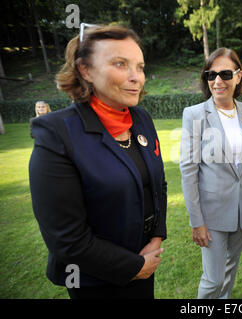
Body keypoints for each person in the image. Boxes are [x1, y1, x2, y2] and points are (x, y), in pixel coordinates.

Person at [29, 24, 167, 299]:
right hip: (94, 280)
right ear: (85, 70)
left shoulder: (140, 119)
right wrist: (134, 266)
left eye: (140, 67)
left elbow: (157, 186)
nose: (136, 77)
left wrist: (156, 238)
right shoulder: (56, 133)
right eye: (120, 64)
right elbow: (66, 239)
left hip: (145, 264)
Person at [180, 47, 242, 299]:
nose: (217, 81)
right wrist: (197, 221)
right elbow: (188, 171)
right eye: (210, 75)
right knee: (213, 279)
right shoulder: (194, 115)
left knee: (230, 270)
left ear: (239, 76)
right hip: (211, 214)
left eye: (225, 74)